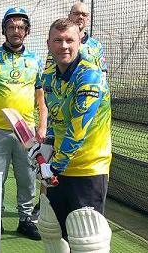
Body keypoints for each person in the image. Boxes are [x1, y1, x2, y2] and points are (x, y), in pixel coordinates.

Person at [37, 18, 112, 252]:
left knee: (86, 239)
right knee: (52, 230)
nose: (64, 46)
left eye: (70, 40)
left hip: (88, 168)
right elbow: (54, 117)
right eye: (58, 40)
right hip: (60, 166)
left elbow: (78, 129)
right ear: (49, 44)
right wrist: (46, 146)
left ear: (80, 41)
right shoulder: (48, 76)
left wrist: (53, 166)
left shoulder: (90, 76)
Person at [0, 7, 47, 241]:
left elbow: (40, 96)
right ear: (4, 30)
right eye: (11, 27)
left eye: (20, 27)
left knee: (27, 177)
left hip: (26, 132)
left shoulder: (35, 59)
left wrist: (42, 125)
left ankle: (25, 220)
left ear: (26, 31)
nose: (16, 31)